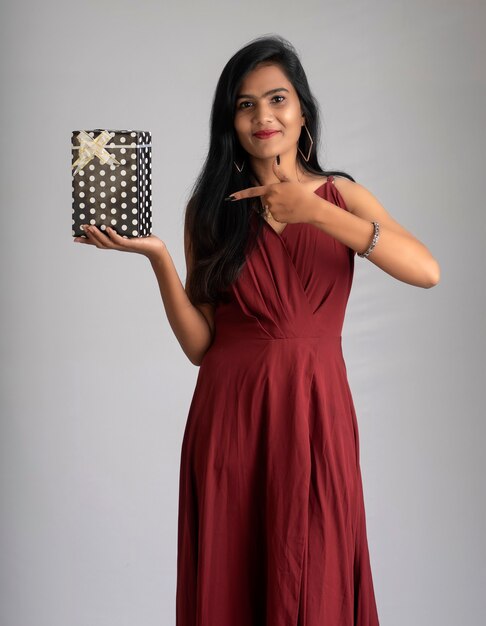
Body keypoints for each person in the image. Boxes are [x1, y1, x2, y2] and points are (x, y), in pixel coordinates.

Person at [74, 35, 440, 626]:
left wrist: (317, 210)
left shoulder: (340, 195)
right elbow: (201, 346)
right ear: (230, 121)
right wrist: (160, 258)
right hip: (230, 418)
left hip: (314, 413)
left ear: (303, 112)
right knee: (232, 582)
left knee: (315, 573)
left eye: (277, 99)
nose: (263, 117)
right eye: (245, 105)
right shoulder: (211, 210)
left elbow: (427, 271)